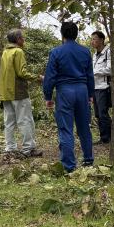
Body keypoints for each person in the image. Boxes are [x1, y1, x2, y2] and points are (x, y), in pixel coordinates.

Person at [43, 21, 96, 173]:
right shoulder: (85, 51)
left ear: (62, 34)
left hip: (65, 91)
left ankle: (69, 165)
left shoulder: (56, 52)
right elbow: (90, 75)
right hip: (82, 90)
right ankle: (88, 160)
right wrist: (90, 94)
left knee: (66, 129)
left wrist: (48, 96)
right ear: (76, 34)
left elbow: (50, 77)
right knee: (84, 127)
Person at [0, 28, 44, 158]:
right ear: (18, 39)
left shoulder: (5, 52)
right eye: (22, 37)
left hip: (5, 93)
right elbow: (22, 73)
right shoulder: (18, 51)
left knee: (9, 122)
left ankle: (10, 148)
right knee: (25, 120)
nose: (24, 39)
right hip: (18, 91)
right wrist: (38, 77)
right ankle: (28, 149)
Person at [90, 30, 113, 145]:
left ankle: (107, 138)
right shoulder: (94, 54)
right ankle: (105, 136)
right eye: (92, 39)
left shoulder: (109, 52)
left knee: (103, 113)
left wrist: (94, 72)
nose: (92, 41)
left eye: (94, 39)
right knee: (98, 114)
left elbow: (110, 69)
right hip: (95, 86)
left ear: (101, 40)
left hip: (104, 87)